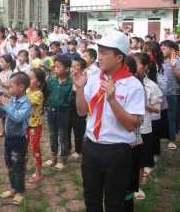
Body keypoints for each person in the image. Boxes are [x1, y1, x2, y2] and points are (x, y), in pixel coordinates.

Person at [73, 30, 145, 211]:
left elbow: (131, 125)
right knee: (91, 199)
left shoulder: (132, 85)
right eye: (99, 51)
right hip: (91, 146)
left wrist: (112, 100)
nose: (100, 57)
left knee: (115, 203)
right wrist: (80, 89)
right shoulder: (94, 79)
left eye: (105, 53)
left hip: (117, 151)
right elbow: (82, 112)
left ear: (119, 57)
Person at [0, 72, 32, 205]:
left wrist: (6, 105)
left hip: (19, 140)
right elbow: (2, 114)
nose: (9, 89)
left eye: (11, 86)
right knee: (9, 164)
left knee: (18, 166)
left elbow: (17, 117)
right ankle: (13, 188)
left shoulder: (26, 104)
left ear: (21, 87)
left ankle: (20, 191)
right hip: (9, 138)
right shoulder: (11, 100)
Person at [132, 53, 162, 200]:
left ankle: (137, 187)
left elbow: (158, 108)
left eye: (137, 63)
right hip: (128, 127)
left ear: (146, 67)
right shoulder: (126, 83)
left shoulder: (151, 86)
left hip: (144, 128)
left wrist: (145, 105)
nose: (133, 66)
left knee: (141, 160)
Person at [44, 54, 72, 170]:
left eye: (58, 67)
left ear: (67, 69)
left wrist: (63, 103)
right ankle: (53, 156)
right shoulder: (51, 81)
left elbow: (70, 99)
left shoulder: (71, 82)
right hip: (51, 111)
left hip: (63, 112)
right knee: (52, 134)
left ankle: (63, 158)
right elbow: (46, 94)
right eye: (54, 67)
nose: (55, 69)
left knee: (63, 136)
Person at [157, 40, 180, 150]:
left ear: (172, 49)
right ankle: (162, 136)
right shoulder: (159, 61)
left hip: (172, 93)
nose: (162, 50)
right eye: (161, 48)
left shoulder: (177, 60)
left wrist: (174, 66)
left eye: (164, 48)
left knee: (171, 117)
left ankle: (172, 139)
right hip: (160, 93)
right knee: (160, 115)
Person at [27, 68, 46, 183]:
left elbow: (28, 105)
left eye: (30, 78)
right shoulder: (27, 91)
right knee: (24, 146)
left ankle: (38, 172)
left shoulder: (38, 94)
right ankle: (23, 166)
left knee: (35, 148)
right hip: (25, 125)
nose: (27, 80)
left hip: (34, 126)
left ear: (38, 82)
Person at [68, 57, 87, 159]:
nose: (74, 68)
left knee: (78, 129)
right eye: (72, 66)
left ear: (83, 68)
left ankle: (78, 150)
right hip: (68, 108)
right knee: (67, 127)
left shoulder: (85, 80)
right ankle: (68, 148)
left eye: (77, 66)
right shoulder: (69, 78)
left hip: (79, 109)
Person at [0, 54, 15, 138]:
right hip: (1, 95)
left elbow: (12, 85)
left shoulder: (11, 73)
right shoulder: (1, 72)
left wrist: (1, 83)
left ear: (8, 63)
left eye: (2, 62)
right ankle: (3, 130)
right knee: (1, 115)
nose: (0, 63)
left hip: (8, 96)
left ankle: (8, 131)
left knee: (8, 114)